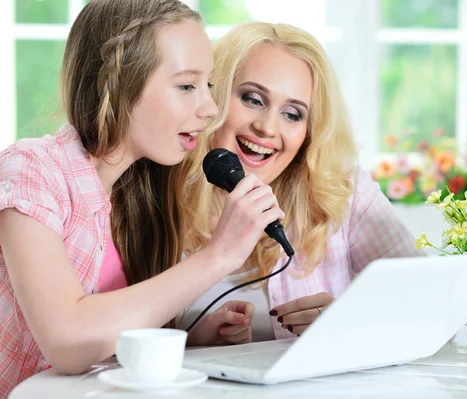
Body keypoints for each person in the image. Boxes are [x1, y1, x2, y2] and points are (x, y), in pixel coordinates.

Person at [0, 1, 285, 394]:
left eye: (209, 86)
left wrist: (192, 333)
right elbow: (67, 340)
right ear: (116, 85)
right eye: (187, 86)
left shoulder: (139, 191)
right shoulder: (30, 171)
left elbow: (108, 336)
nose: (210, 108)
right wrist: (219, 255)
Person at [184, 21, 422, 342]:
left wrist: (350, 324)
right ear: (214, 95)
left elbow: (428, 307)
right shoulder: (151, 195)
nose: (268, 128)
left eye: (292, 114)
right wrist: (191, 340)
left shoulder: (344, 195)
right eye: (253, 99)